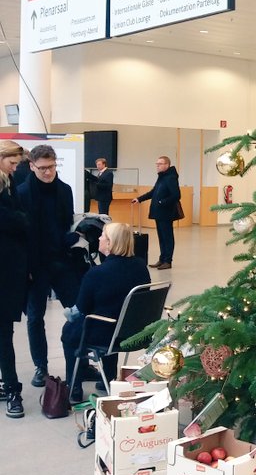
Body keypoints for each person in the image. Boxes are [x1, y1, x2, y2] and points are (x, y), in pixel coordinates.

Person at [16, 143, 82, 387]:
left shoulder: (64, 190)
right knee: (35, 317)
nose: (48, 172)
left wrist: (72, 237)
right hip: (35, 266)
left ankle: (81, 362)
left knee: (77, 312)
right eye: (42, 168)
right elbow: (22, 235)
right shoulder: (22, 193)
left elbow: (67, 222)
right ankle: (40, 366)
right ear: (32, 166)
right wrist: (27, 268)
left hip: (61, 261)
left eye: (51, 167)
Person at [62, 221, 151, 402]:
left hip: (105, 334)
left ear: (110, 243)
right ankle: (108, 380)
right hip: (131, 332)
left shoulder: (97, 274)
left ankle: (74, 388)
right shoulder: (141, 267)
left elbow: (81, 309)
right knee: (115, 320)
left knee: (69, 331)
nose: (100, 238)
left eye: (103, 235)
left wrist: (68, 313)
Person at [0, 141, 29, 418]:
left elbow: (20, 220)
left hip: (8, 271)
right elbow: (16, 220)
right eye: (13, 161)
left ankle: (10, 386)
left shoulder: (8, 183)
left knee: (4, 333)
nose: (16, 167)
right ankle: (10, 388)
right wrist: (18, 219)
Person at [132, 155, 182, 269]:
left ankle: (168, 261)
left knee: (167, 237)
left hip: (166, 212)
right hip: (159, 212)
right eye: (157, 164)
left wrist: (161, 202)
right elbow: (153, 192)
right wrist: (139, 199)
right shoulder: (162, 177)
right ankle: (162, 259)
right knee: (161, 236)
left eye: (160, 164)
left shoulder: (170, 178)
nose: (157, 166)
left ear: (167, 165)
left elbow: (176, 195)